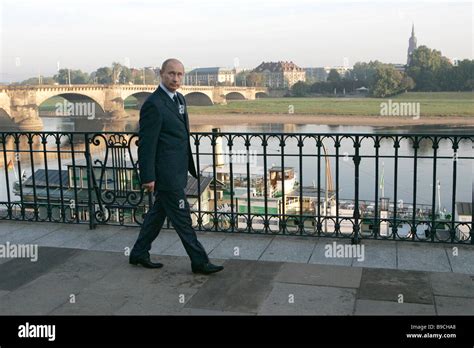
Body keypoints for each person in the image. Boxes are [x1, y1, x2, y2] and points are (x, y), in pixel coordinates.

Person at [129, 58, 224, 275]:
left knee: (157, 214)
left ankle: (139, 252)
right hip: (165, 173)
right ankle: (199, 261)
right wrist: (148, 176)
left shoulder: (179, 98)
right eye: (171, 73)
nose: (175, 78)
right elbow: (146, 144)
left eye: (180, 74)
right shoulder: (153, 104)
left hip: (177, 169)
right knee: (182, 217)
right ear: (161, 74)